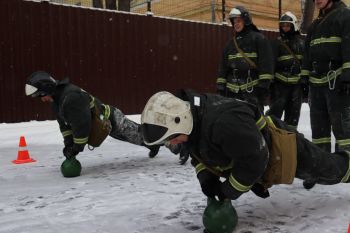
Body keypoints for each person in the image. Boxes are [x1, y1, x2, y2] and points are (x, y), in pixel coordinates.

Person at [140, 90, 350, 201]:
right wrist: (206, 178)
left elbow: (255, 160)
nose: (173, 144)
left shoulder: (223, 124)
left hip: (281, 149)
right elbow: (197, 152)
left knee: (329, 170)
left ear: (181, 122)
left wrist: (228, 191)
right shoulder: (192, 120)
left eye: (172, 139)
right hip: (257, 147)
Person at [25, 71, 159, 160]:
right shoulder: (58, 101)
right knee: (133, 138)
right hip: (104, 125)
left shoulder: (70, 98)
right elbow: (64, 126)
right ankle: (153, 145)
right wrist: (68, 144)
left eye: (40, 95)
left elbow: (82, 125)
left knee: (143, 135)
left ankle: (173, 142)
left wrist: (76, 149)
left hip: (111, 119)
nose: (42, 99)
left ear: (47, 89)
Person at [300, 0, 350, 189]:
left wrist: (348, 77)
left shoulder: (345, 16)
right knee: (319, 130)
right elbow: (307, 54)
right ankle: (320, 170)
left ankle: (347, 168)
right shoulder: (315, 25)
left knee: (343, 129)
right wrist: (304, 79)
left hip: (336, 81)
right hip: (317, 84)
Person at [216, 6, 274, 112]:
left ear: (246, 20)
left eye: (239, 21)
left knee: (253, 122)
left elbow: (266, 64)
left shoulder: (259, 39)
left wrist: (263, 86)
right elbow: (223, 66)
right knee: (233, 119)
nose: (236, 24)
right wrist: (220, 85)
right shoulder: (230, 44)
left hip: (252, 91)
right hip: (232, 92)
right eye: (234, 21)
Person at [267, 12, 306, 130]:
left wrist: (305, 82)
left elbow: (305, 64)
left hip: (296, 87)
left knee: (293, 117)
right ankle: (272, 138)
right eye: (283, 26)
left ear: (294, 26)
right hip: (279, 86)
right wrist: (270, 83)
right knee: (274, 116)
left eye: (288, 26)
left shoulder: (301, 44)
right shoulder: (276, 43)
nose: (285, 28)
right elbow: (270, 64)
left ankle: (289, 140)